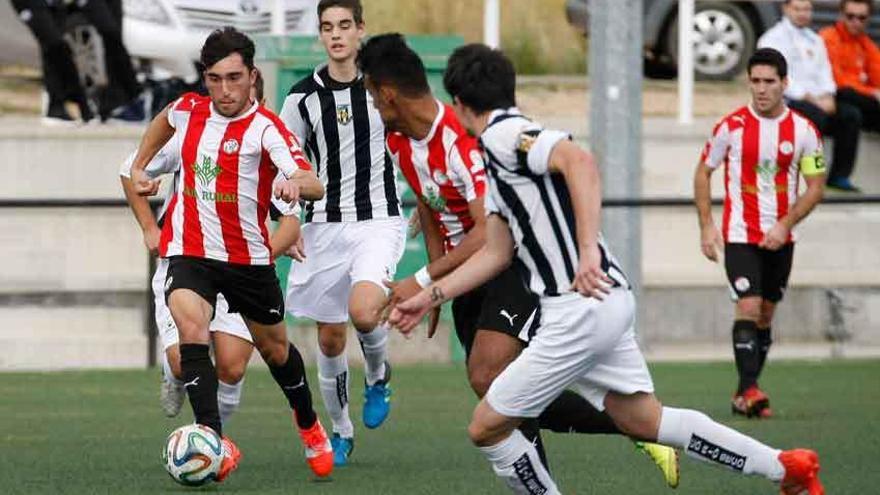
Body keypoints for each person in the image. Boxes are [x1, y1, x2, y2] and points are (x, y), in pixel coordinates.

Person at [388, 43, 824, 495]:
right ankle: (785, 468)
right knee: (645, 419)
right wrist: (428, 296)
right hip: (607, 302)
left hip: (576, 309)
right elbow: (495, 253)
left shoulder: (505, 135)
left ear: (458, 104)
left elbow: (578, 160)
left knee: (486, 427)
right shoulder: (496, 159)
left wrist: (586, 250)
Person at [358, 32, 679, 488]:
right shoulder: (398, 140)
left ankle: (642, 424)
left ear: (386, 92)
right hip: (462, 277)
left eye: (370, 94)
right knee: (495, 388)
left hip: (505, 265)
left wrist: (424, 280)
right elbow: (430, 209)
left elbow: (485, 234)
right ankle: (621, 434)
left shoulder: (460, 141)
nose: (371, 104)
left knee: (490, 374)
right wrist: (433, 295)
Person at [128, 27, 333, 481]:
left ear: (253, 76)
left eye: (234, 78)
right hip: (189, 253)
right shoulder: (187, 111)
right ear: (205, 78)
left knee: (276, 352)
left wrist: (293, 182)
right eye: (215, 78)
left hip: (246, 262)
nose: (224, 89)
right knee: (191, 329)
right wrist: (142, 167)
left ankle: (309, 425)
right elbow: (162, 122)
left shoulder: (267, 128)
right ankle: (213, 444)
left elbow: (312, 181)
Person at [120, 71, 304, 426]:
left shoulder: (269, 144)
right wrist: (148, 228)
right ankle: (176, 380)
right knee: (181, 359)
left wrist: (257, 258)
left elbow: (291, 223)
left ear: (259, 103)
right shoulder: (193, 134)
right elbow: (129, 170)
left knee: (232, 367)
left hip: (240, 271)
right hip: (189, 263)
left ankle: (215, 445)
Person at [278, 0, 404, 466]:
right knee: (330, 338)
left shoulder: (383, 88)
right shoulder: (301, 98)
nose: (336, 35)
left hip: (378, 220)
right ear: (321, 34)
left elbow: (413, 137)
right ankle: (341, 430)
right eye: (327, 27)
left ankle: (378, 375)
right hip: (322, 226)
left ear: (360, 31)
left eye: (344, 26)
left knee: (364, 312)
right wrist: (286, 221)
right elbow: (283, 163)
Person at [694, 48, 826, 420]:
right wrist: (706, 224)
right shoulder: (730, 127)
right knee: (749, 306)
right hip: (739, 234)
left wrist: (785, 225)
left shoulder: (804, 131)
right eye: (755, 81)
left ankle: (743, 391)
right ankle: (751, 389)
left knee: (766, 314)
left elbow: (816, 186)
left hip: (782, 238)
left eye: (770, 82)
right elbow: (702, 172)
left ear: (785, 83)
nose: (762, 89)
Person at [758, 0, 863, 192]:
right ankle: (812, 177)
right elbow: (776, 78)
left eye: (806, 9)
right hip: (788, 100)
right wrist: (811, 98)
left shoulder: (815, 40)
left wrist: (829, 95)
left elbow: (825, 73)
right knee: (816, 119)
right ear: (786, 9)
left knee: (850, 115)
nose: (802, 14)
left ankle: (839, 177)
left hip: (819, 100)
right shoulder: (772, 39)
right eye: (797, 9)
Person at [11, 0, 94, 124]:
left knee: (51, 55)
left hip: (57, 7)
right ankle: (80, 102)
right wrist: (22, 9)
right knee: (58, 47)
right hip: (34, 8)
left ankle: (56, 107)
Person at [820, 0, 880, 133]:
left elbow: (878, 79)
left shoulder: (866, 44)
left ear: (868, 18)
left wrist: (873, 92)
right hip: (834, 95)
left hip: (862, 101)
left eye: (862, 18)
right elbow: (838, 82)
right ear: (841, 15)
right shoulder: (828, 38)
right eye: (850, 16)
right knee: (847, 96)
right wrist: (871, 92)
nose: (856, 22)